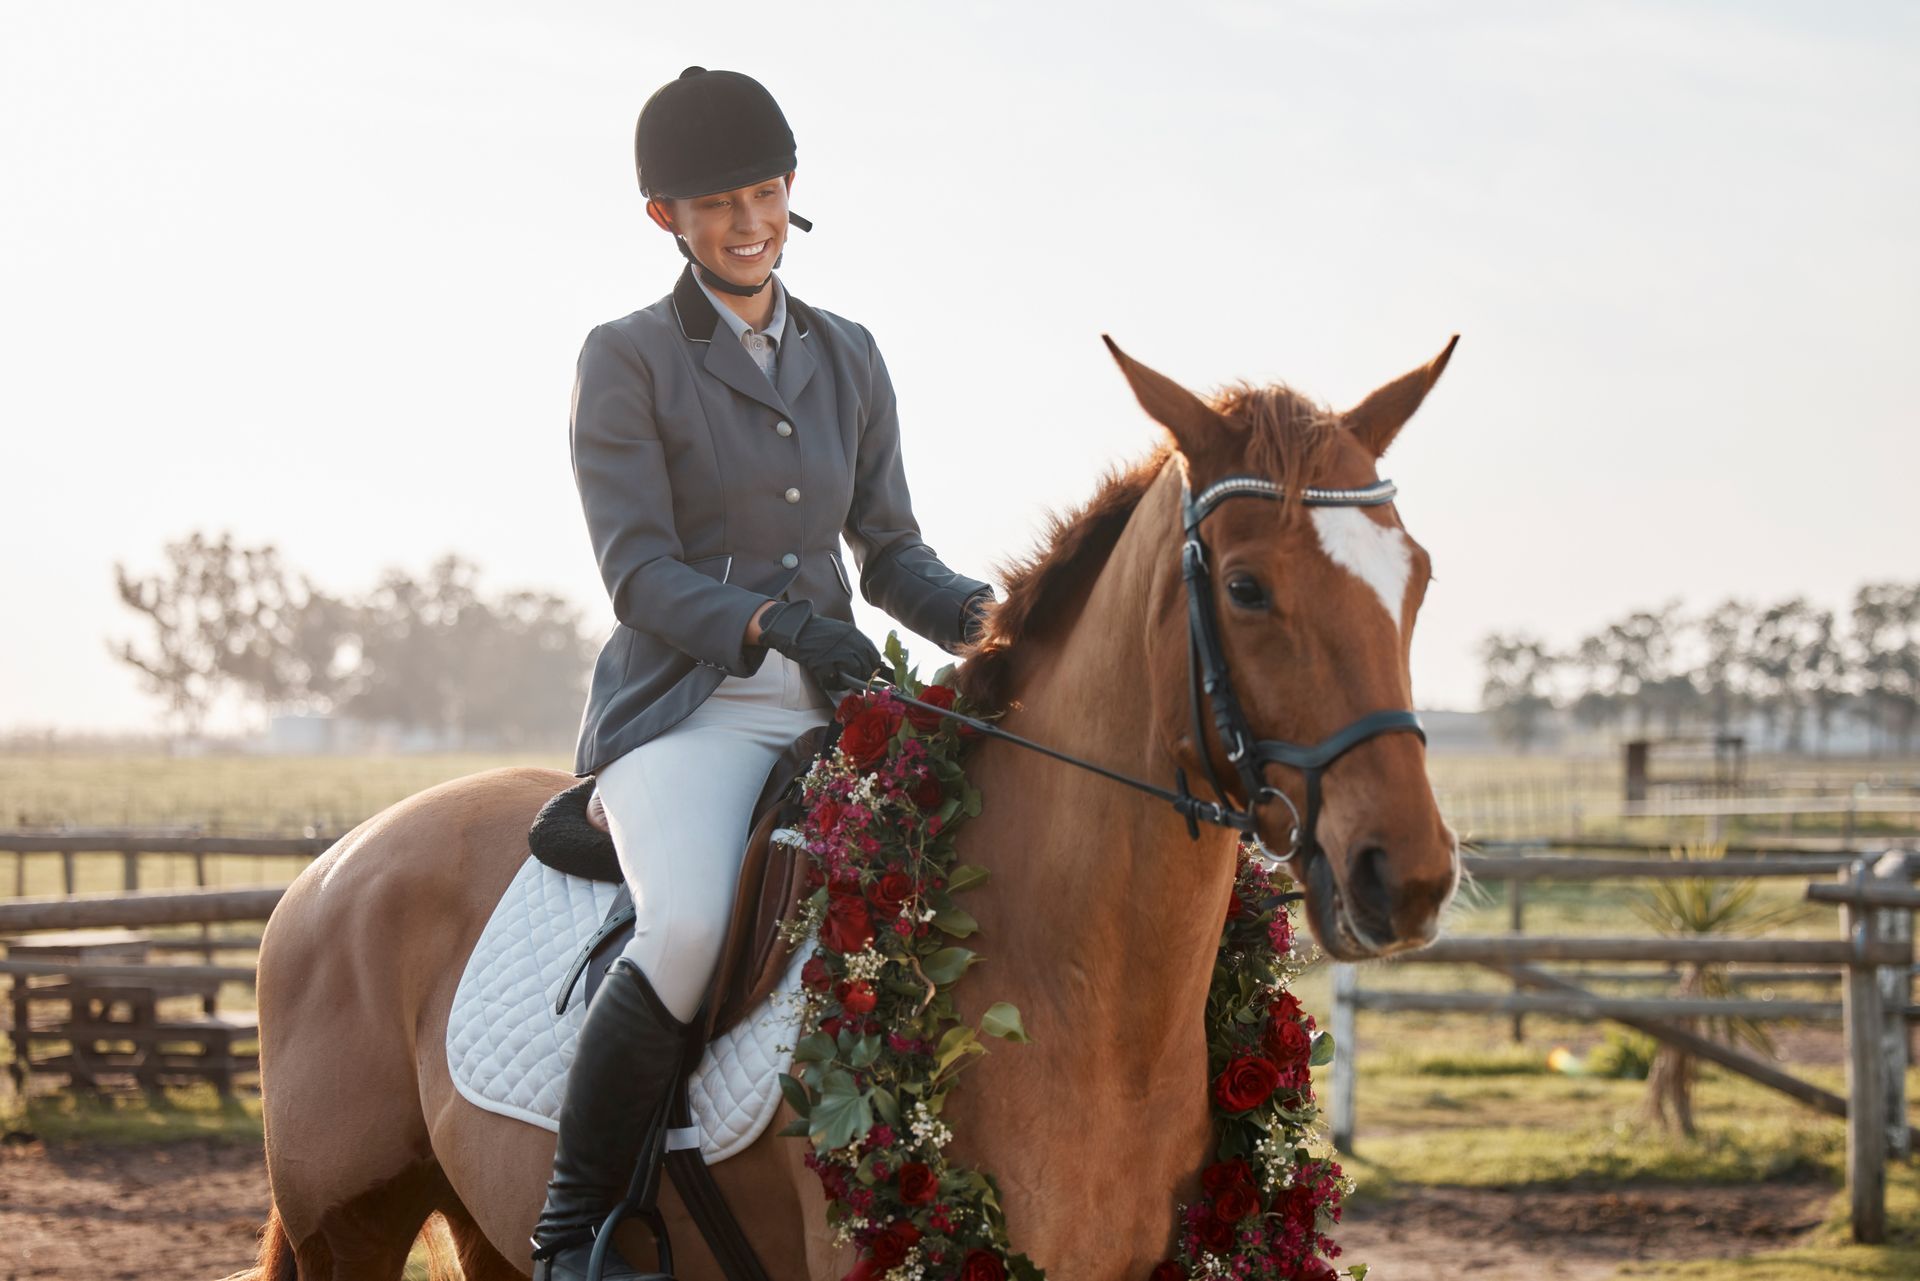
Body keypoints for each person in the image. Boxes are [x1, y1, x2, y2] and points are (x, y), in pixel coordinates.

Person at [529, 66, 996, 1281]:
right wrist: (775, 628)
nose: (748, 223)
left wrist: (995, 619)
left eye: (766, 193)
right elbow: (638, 574)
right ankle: (573, 1231)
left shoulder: (849, 354)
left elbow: (890, 553)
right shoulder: (626, 357)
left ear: (793, 192)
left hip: (839, 711)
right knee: (684, 927)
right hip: (685, 714)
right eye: (719, 203)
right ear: (666, 220)